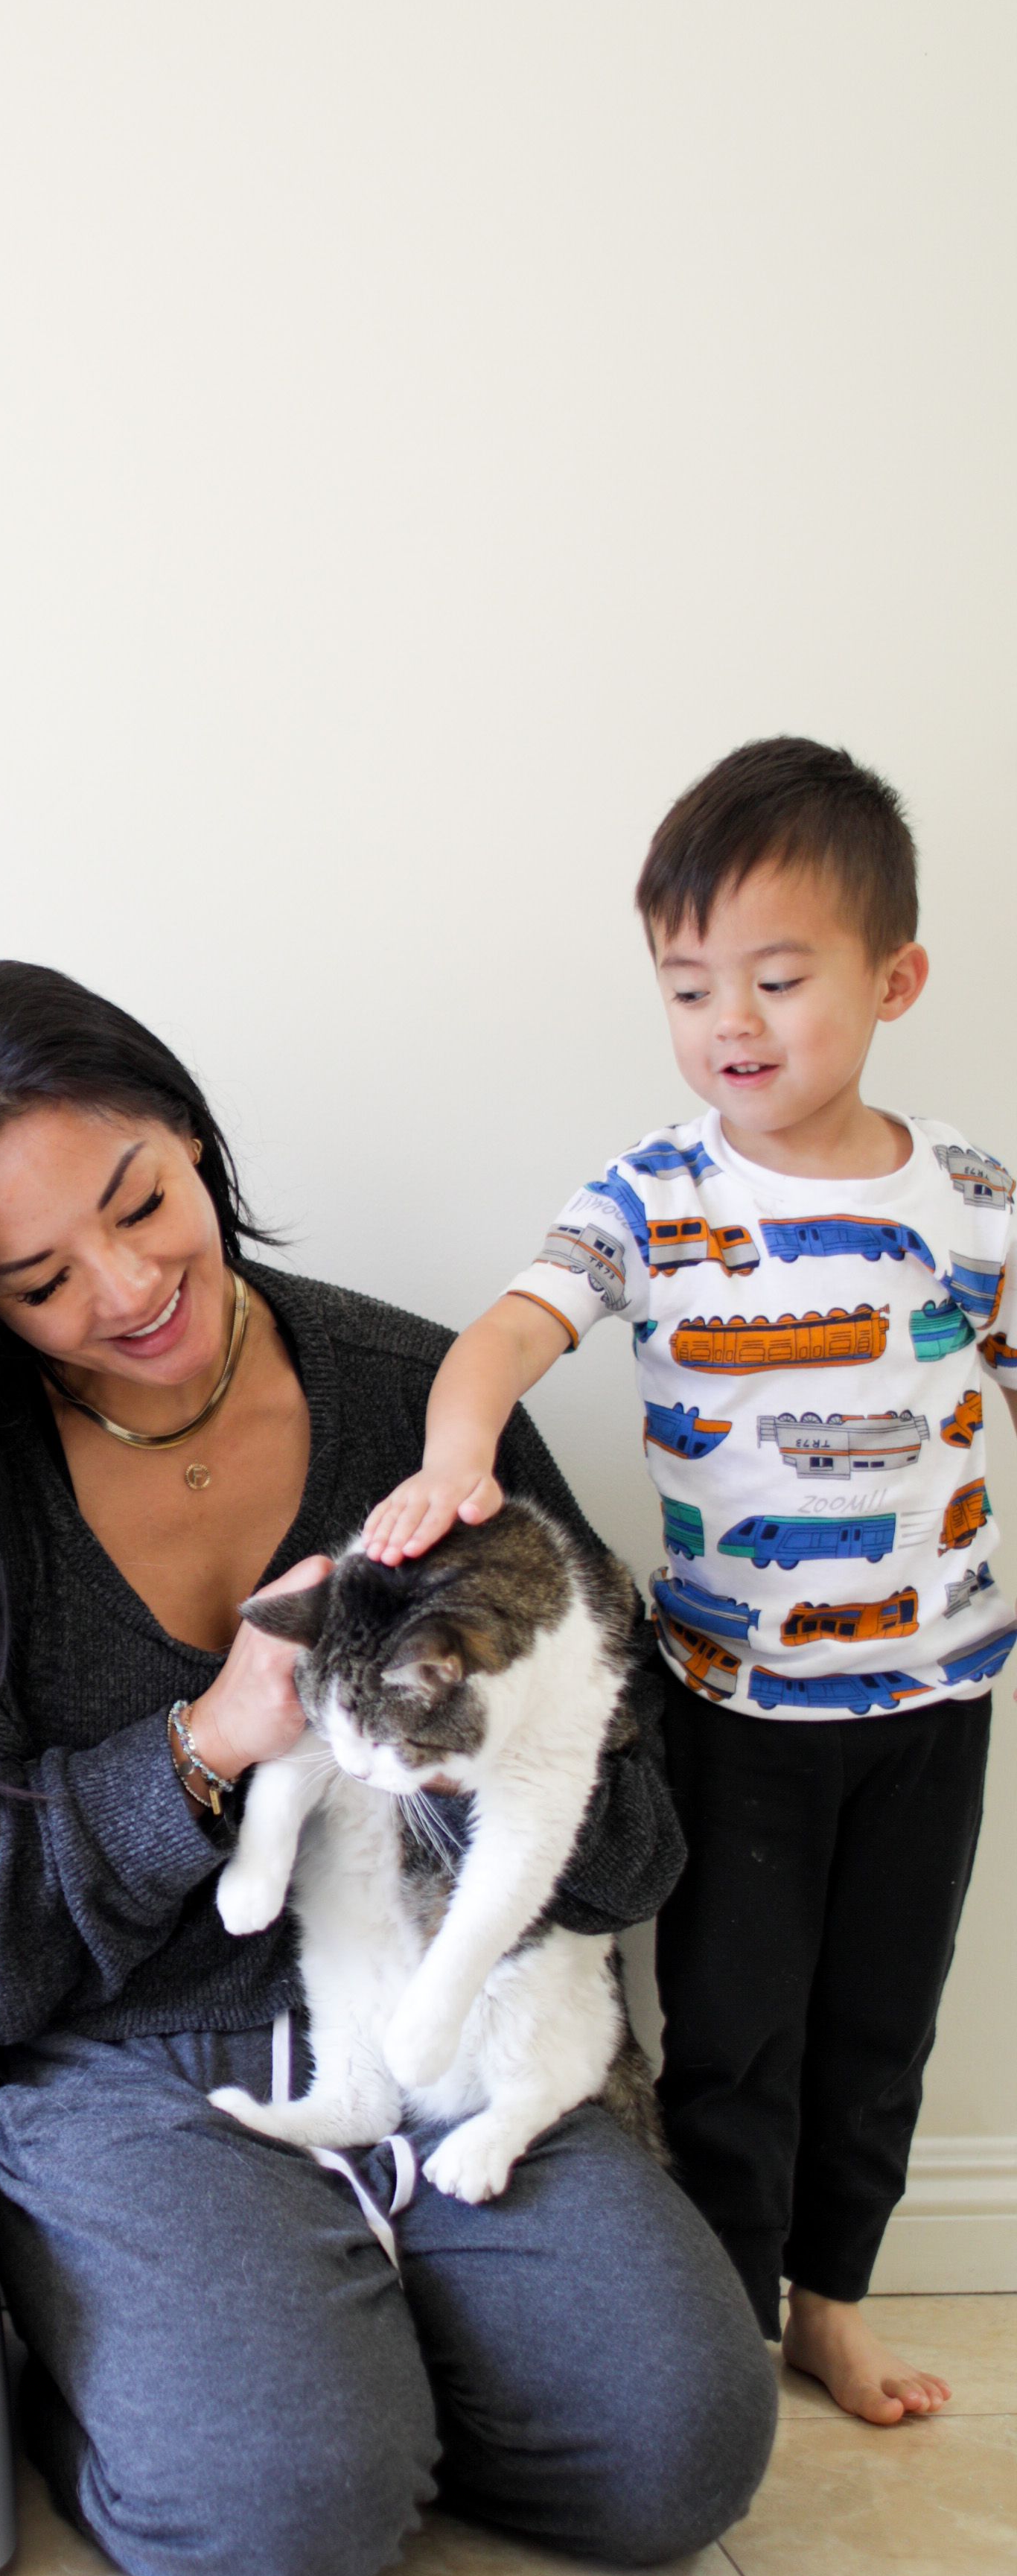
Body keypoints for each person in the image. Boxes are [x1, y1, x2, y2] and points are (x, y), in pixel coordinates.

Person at [0, 960, 774, 2576]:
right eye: (37, 1280)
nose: (133, 1284)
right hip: (129, 2066)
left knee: (678, 2451)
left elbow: (634, 1850)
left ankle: (352, 2351)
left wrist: (504, 1748)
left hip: (452, 2020)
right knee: (284, 2514)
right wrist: (202, 1750)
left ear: (188, 1134)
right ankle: (212, 2358)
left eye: (144, 1200)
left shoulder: (425, 1408)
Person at [366, 737, 1014, 2426]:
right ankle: (723, 2331)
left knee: (881, 2023)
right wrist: (460, 1444)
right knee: (736, 2035)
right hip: (739, 1708)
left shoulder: (966, 1200)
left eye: (780, 979)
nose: (733, 1020)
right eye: (689, 986)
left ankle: (833, 2302)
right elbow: (510, 1327)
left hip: (937, 1702)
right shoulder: (658, 1196)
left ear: (896, 979)